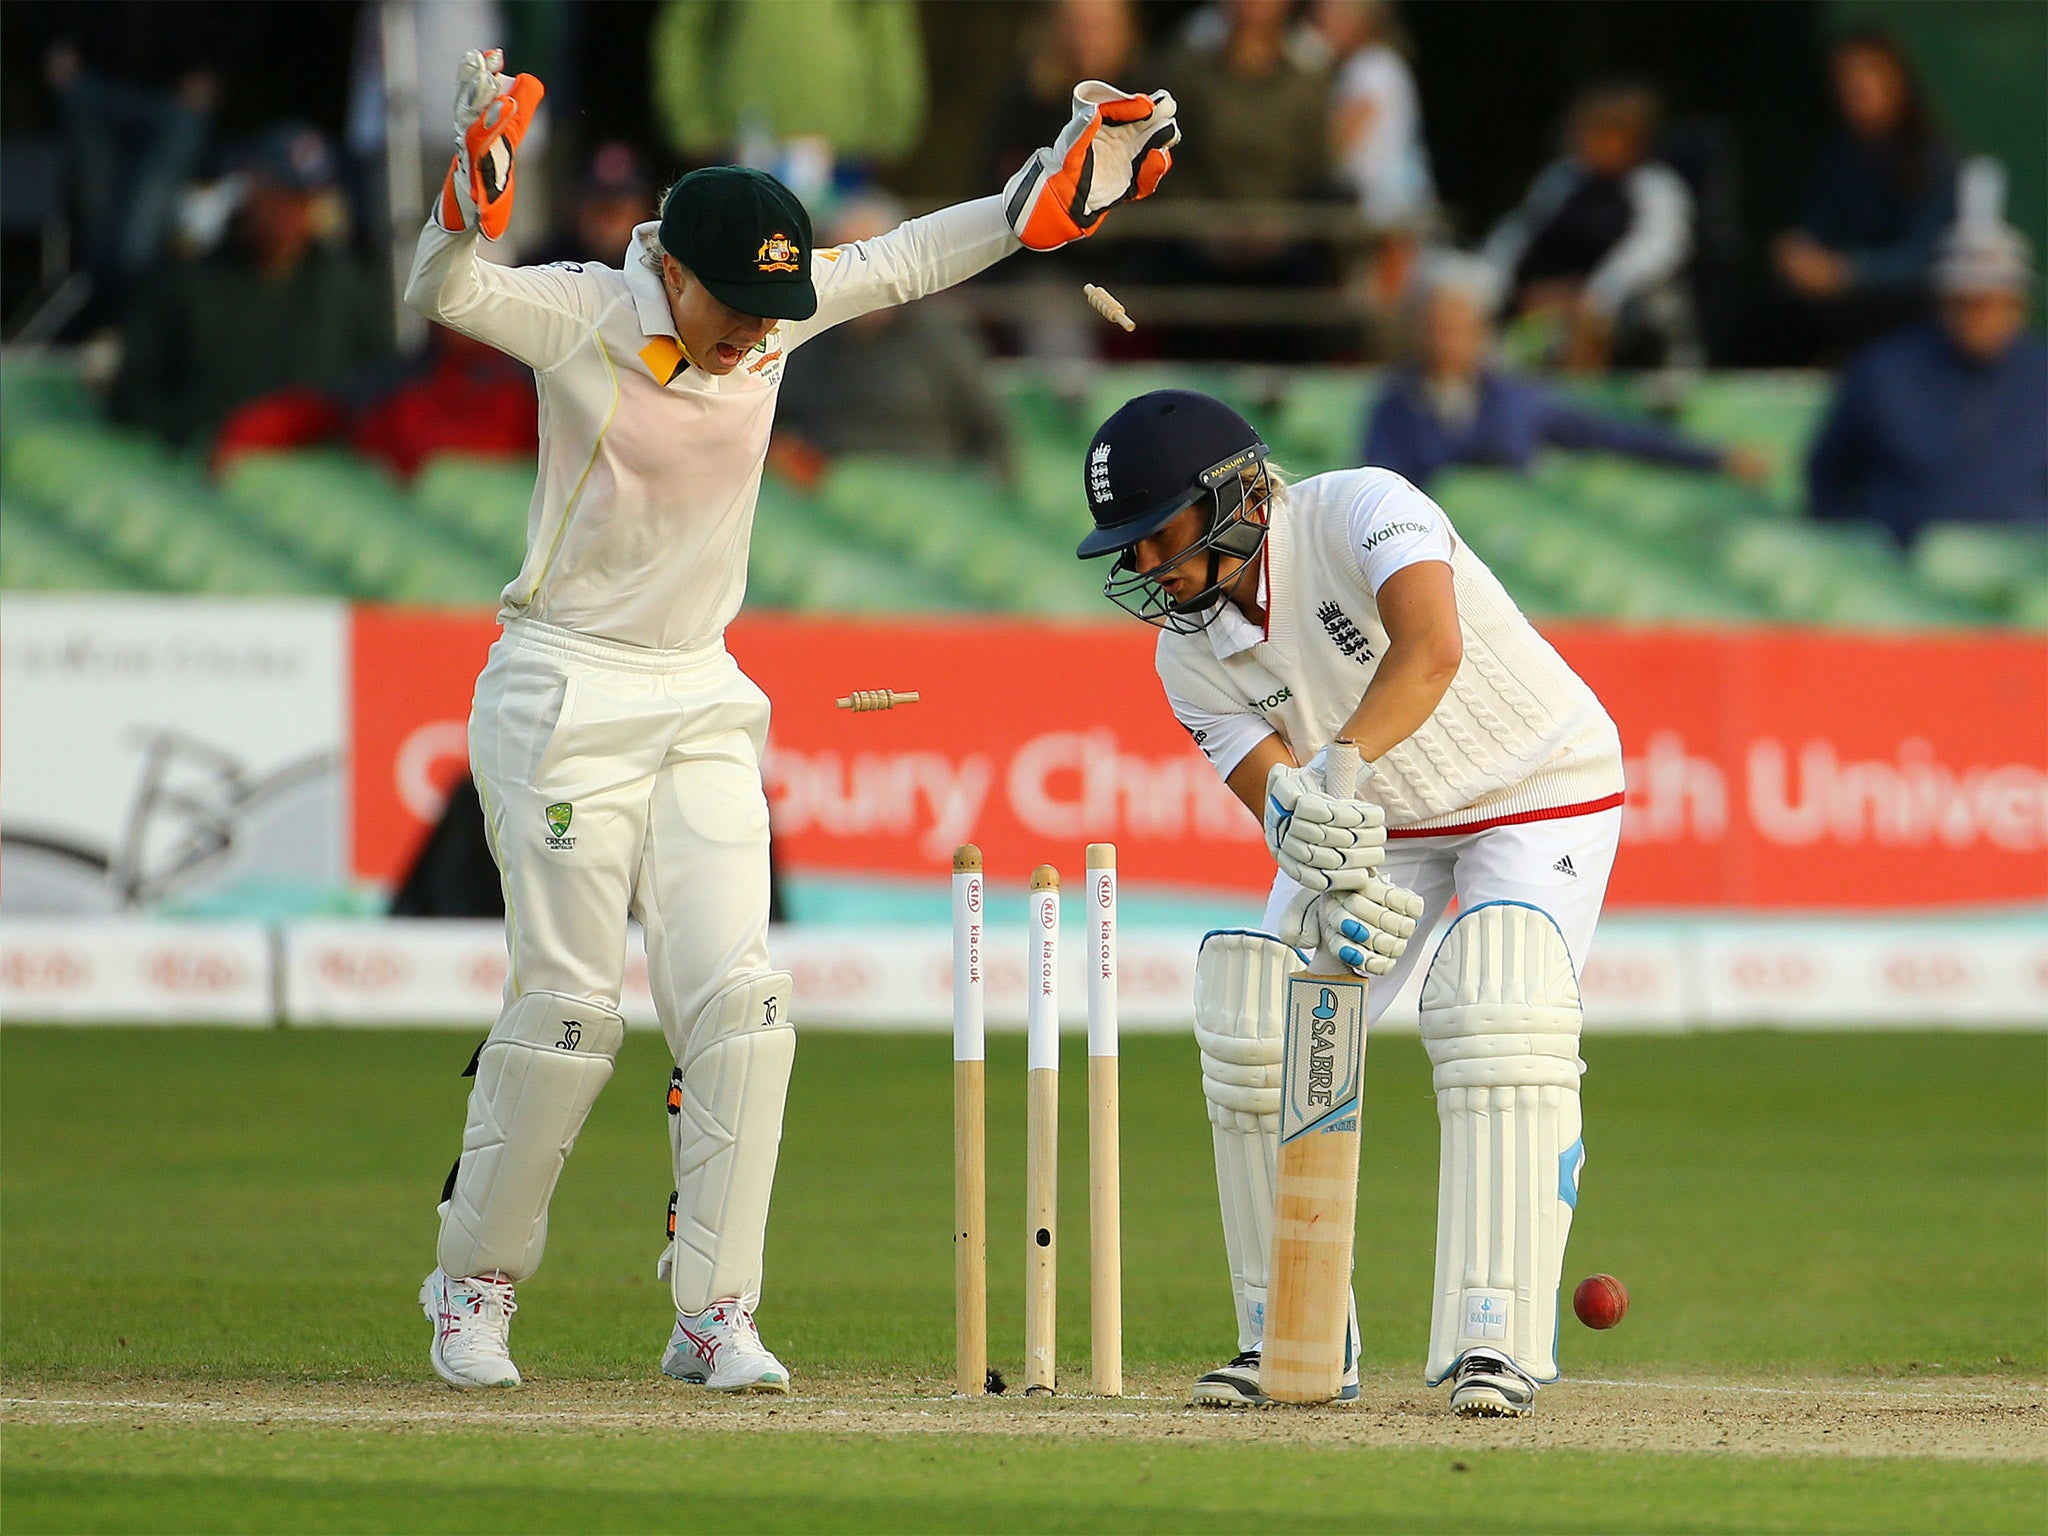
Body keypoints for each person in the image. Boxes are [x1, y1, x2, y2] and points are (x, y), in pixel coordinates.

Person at [409, 49, 1177, 1393]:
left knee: (748, 1006)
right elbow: (447, 292)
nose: (760, 335)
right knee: (573, 1016)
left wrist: (1027, 205)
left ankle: (714, 1310)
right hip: (560, 683)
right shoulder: (587, 312)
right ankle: (472, 1285)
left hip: (702, 688)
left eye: (778, 308)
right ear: (676, 271)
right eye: (737, 307)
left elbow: (900, 263)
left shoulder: (770, 312)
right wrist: (465, 207)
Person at [1074, 388, 1626, 1416]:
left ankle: (1492, 1340)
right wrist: (1319, 856)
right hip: (1373, 820)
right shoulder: (1185, 655)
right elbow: (1277, 802)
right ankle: (1292, 1331)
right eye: (1130, 550)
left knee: (1497, 1003)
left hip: (1538, 785)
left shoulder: (1361, 507)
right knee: (1264, 1013)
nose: (1146, 568)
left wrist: (1335, 772)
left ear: (1235, 495)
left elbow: (1430, 650)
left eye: (1160, 537)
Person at [1363, 257, 1766, 488]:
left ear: (1481, 331)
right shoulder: (1397, 405)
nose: (1446, 339)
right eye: (1437, 325)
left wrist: (1713, 458)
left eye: (1458, 326)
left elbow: (1614, 435)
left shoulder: (1517, 401)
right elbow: (1379, 481)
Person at [110, 122, 387, 449]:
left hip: (316, 472)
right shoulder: (187, 281)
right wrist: (202, 432)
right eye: (277, 197)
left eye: (301, 201)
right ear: (249, 187)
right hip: (208, 471)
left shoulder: (344, 283)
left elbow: (380, 384)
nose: (287, 216)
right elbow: (134, 394)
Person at [1806, 178, 2046, 545]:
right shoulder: (1883, 370)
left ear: (2018, 305)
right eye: (1965, 300)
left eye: (1994, 300)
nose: (1980, 316)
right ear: (1941, 299)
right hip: (1899, 571)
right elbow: (1830, 475)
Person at [770, 195, 1012, 482]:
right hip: (827, 502)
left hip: (924, 498)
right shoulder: (804, 337)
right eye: (841, 261)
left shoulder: (939, 336)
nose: (855, 278)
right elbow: (771, 421)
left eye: (868, 261)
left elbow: (992, 432)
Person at [1771, 27, 1956, 361]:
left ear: (1897, 81)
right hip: (1845, 307)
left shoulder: (1933, 160)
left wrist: (1847, 272)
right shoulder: (1837, 156)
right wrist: (1798, 254)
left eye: (1869, 74)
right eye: (1845, 78)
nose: (1857, 87)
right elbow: (1816, 230)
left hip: (1907, 309)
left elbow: (1927, 260)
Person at [1482, 81, 1693, 370]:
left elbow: (1654, 253)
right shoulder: (1561, 180)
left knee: (1586, 321)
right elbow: (1517, 236)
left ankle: (1582, 403)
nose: (1582, 141)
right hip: (1546, 306)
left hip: (1622, 312)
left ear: (1629, 140)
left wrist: (1596, 294)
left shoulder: (1656, 188)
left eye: (1598, 134)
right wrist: (1490, 285)